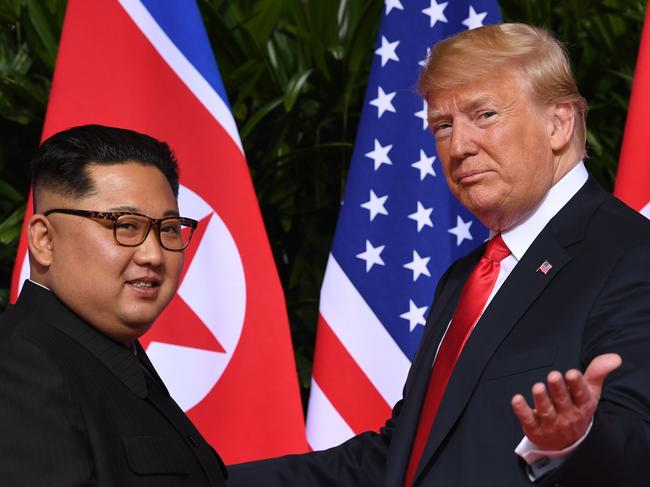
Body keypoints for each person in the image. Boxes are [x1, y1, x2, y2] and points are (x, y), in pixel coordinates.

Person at [228, 23, 650, 486]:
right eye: (444, 126)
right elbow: (401, 459)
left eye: (484, 115)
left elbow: (637, 446)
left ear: (558, 122)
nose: (459, 146)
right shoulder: (464, 277)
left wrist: (574, 441)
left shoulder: (631, 254)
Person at [0, 125, 227, 486]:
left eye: (168, 228)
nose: (154, 254)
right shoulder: (23, 368)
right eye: (125, 225)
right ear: (44, 240)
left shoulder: (108, 353)